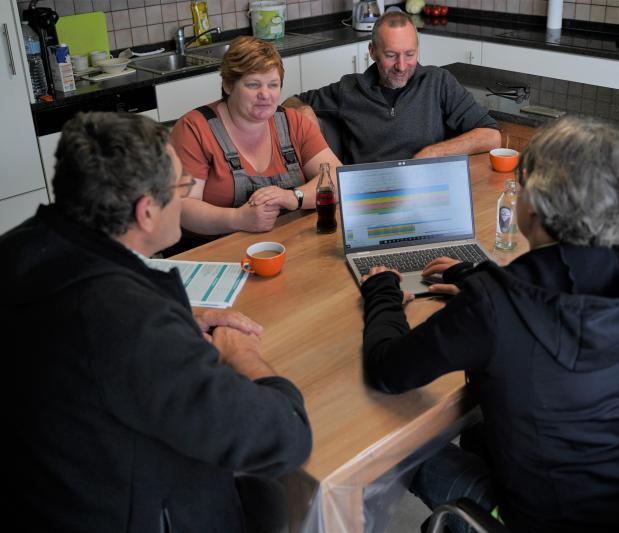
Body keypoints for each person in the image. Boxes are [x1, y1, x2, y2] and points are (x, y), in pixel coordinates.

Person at [359, 117, 619, 532]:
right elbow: (554, 302)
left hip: (549, 522)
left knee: (400, 452)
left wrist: (381, 291)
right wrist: (475, 277)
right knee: (479, 432)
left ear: (536, 206)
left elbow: (388, 371)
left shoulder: (495, 303)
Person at [4, 112, 312, 532]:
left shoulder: (23, 245)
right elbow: (286, 437)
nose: (186, 193)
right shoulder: (129, 325)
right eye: (182, 186)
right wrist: (242, 356)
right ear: (146, 211)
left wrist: (181, 315)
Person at [170, 36, 341, 239]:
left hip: (289, 242)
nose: (265, 95)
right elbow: (182, 207)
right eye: (253, 85)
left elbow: (338, 180)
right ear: (228, 85)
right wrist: (237, 218)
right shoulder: (194, 129)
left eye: (273, 85)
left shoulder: (293, 122)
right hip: (218, 251)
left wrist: (294, 196)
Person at [283, 10, 501, 164]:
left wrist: (435, 152)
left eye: (409, 54)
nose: (401, 66)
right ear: (372, 51)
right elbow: (290, 103)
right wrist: (305, 113)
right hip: (369, 196)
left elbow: (492, 135)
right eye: (391, 55)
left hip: (426, 192)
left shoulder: (438, 82)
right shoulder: (348, 89)